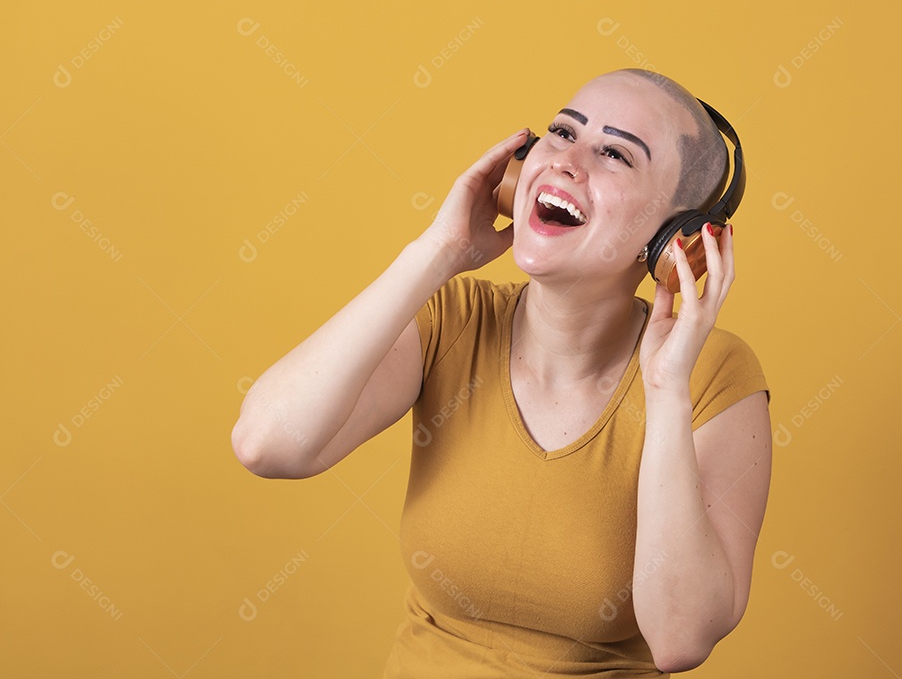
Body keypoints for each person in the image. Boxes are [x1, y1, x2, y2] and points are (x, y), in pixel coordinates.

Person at [231, 68, 772, 677]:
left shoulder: (714, 377)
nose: (567, 160)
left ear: (676, 238)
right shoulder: (453, 321)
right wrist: (436, 254)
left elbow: (681, 639)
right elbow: (267, 445)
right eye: (563, 132)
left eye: (615, 153)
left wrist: (666, 389)